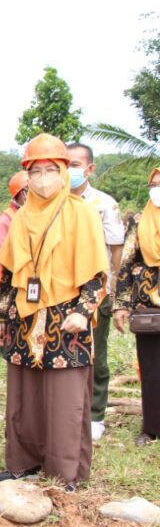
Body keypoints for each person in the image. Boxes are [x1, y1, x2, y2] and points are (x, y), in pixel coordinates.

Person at [0, 133, 108, 491]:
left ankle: (64, 473)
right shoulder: (23, 216)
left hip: (67, 318)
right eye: (35, 170)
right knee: (25, 396)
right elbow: (9, 273)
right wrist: (1, 318)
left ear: (63, 171)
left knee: (65, 399)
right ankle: (23, 463)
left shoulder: (82, 213)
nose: (43, 178)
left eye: (50, 169)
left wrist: (84, 310)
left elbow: (98, 273)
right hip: (25, 317)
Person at [67, 142, 125, 442]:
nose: (69, 170)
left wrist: (112, 291)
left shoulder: (104, 203)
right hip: (63, 291)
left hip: (95, 290)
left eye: (75, 164)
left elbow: (115, 251)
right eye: (64, 163)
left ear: (89, 169)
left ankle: (95, 414)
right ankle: (68, 412)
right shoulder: (53, 202)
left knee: (95, 354)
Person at [113, 168, 160, 447]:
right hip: (147, 307)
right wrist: (121, 305)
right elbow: (126, 265)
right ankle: (151, 427)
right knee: (152, 367)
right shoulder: (139, 222)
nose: (157, 189)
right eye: (153, 184)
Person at [0, 171, 29, 286]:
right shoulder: (6, 219)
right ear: (21, 193)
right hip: (11, 281)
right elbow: (3, 253)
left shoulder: (35, 216)